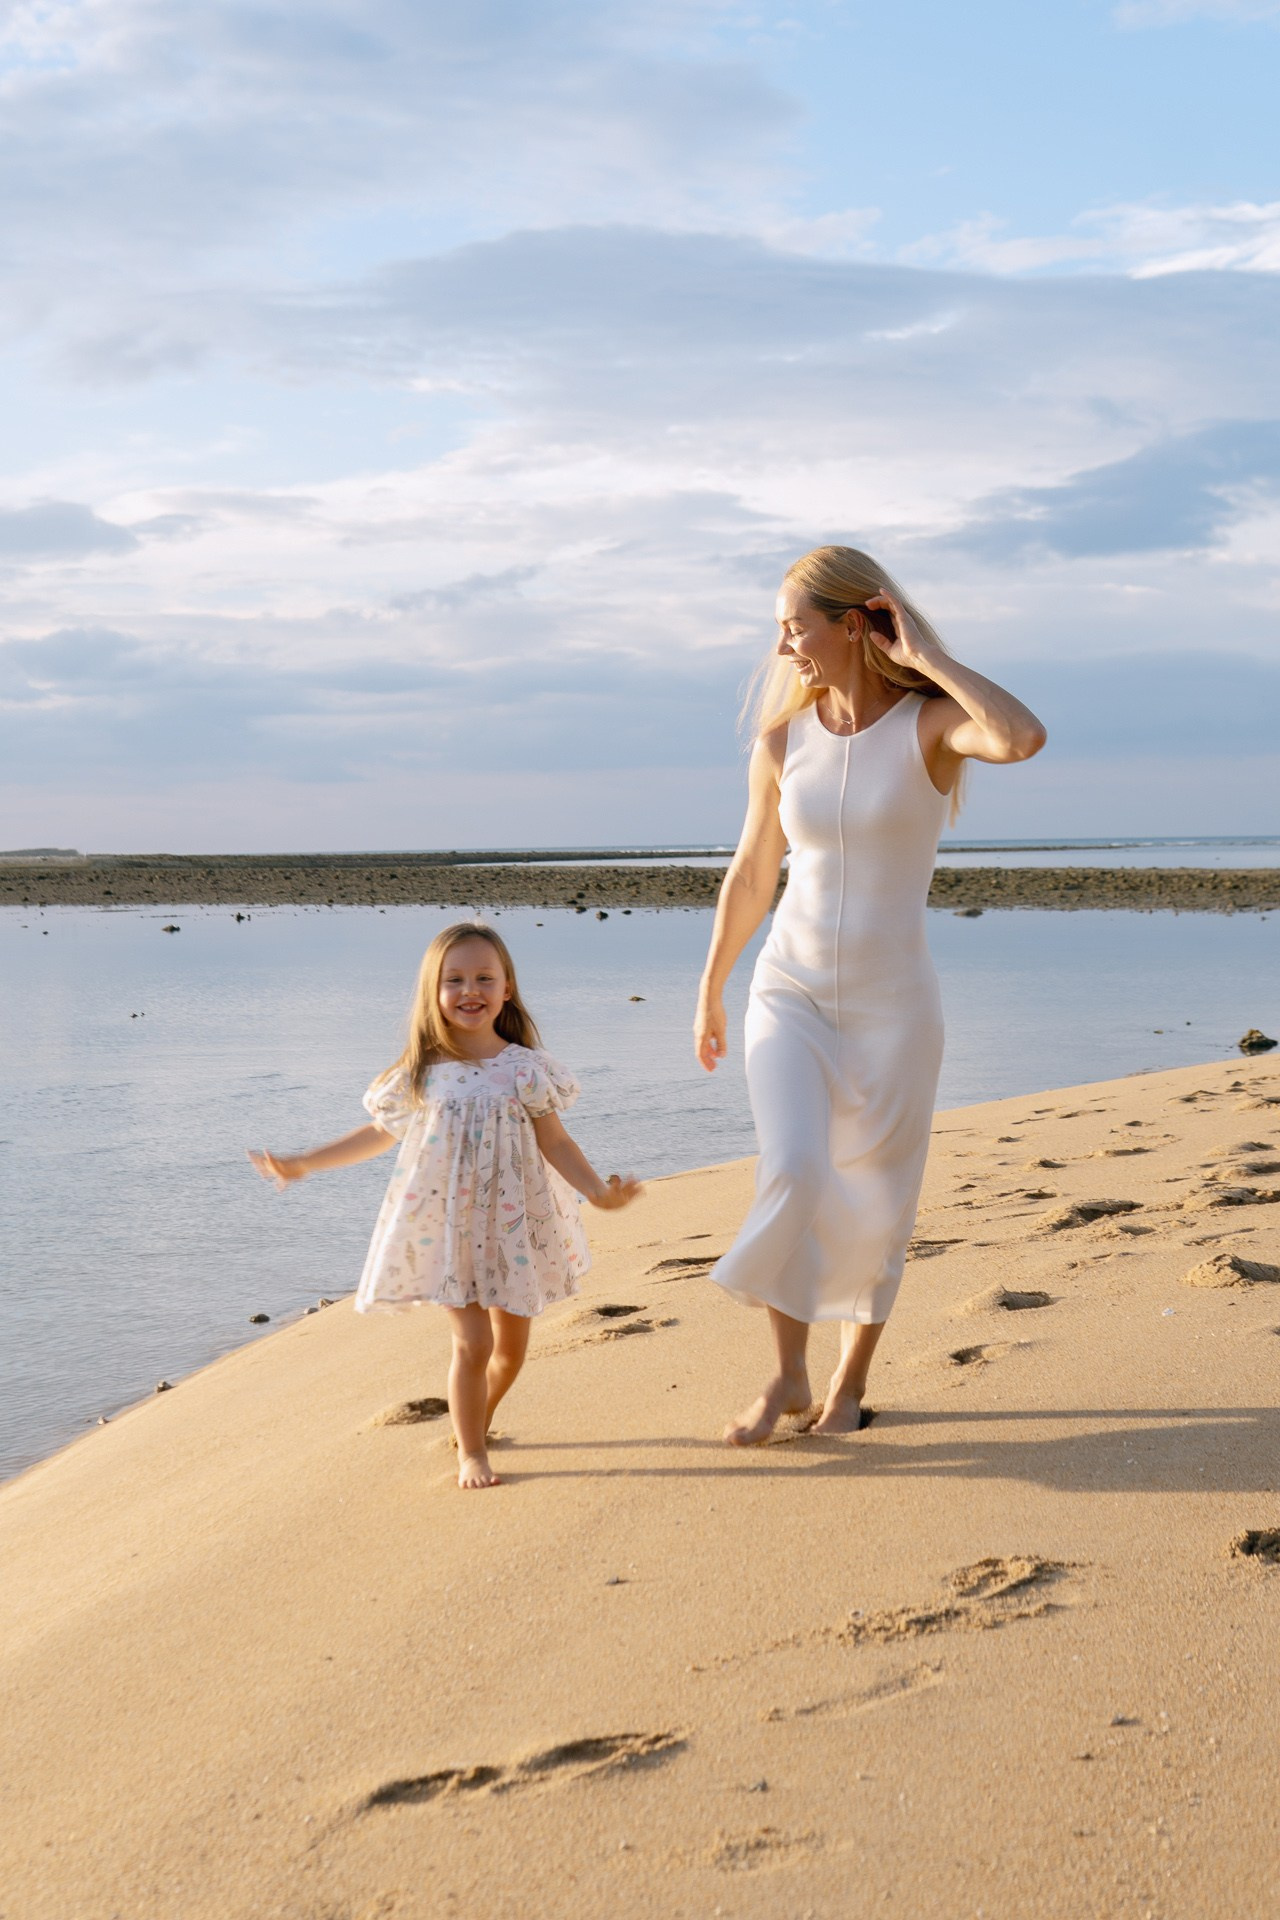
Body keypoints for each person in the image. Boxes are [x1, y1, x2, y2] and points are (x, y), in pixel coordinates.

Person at [694, 545, 1046, 1445]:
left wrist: (925, 655)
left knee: (880, 1201)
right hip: (790, 990)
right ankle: (785, 1372)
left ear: (855, 622)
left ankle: (848, 1385)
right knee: (796, 1170)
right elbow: (750, 874)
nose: (783, 649)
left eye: (795, 627)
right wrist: (711, 989)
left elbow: (1020, 737)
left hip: (896, 1007)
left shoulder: (932, 726)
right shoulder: (781, 741)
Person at [250, 921, 642, 1489]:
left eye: (484, 977)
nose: (469, 990)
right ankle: (473, 1454)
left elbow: (556, 1143)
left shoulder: (525, 1070)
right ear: (433, 993)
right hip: (450, 1231)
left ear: (507, 988)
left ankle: (475, 1421)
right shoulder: (421, 1076)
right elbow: (377, 1135)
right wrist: (304, 1162)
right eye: (453, 979)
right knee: (474, 1341)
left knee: (510, 1352)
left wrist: (599, 1193)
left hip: (512, 1227)